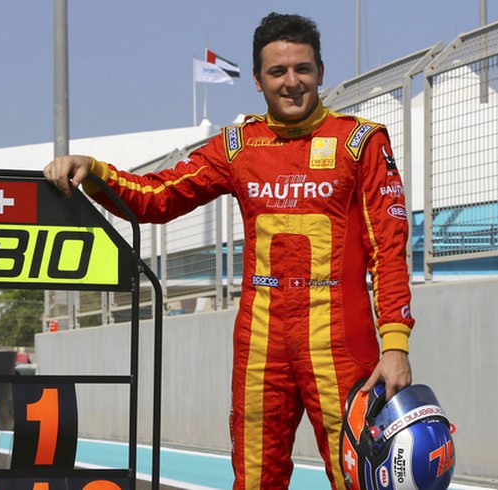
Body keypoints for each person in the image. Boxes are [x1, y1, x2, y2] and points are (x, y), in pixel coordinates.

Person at [44, 12, 414, 490]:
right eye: (277, 72)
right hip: (262, 344)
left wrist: (397, 346)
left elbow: (389, 248)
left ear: (321, 72)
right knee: (255, 480)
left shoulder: (360, 141)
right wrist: (92, 170)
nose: (292, 82)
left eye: (302, 69)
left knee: (361, 479)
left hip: (342, 344)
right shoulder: (238, 146)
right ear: (258, 81)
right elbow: (159, 195)